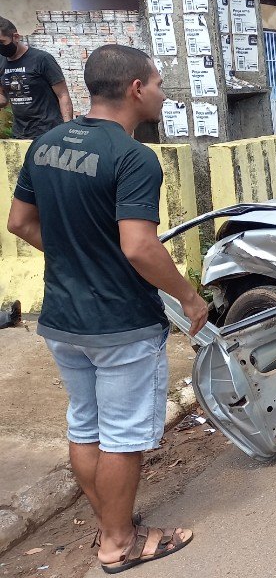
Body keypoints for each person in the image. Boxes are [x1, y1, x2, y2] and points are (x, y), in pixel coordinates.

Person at [6, 44, 204, 573]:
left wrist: (77, 253)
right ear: (136, 88)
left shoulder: (44, 145)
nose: (163, 94)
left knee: (86, 427)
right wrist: (188, 296)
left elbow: (20, 223)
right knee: (121, 436)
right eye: (159, 84)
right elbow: (139, 246)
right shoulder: (133, 157)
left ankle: (111, 524)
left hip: (62, 319)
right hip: (119, 321)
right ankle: (118, 544)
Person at [0, 16, 73, 139]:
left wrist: (68, 130)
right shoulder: (1, 62)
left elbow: (63, 95)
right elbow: (3, 98)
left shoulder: (42, 59)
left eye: (1, 42)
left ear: (16, 37)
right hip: (20, 134)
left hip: (48, 132)